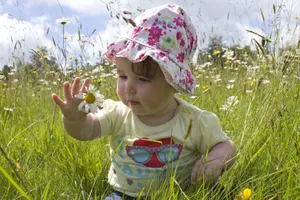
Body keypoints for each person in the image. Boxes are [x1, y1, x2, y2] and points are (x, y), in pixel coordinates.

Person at [52, 4, 236, 199]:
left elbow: (226, 146)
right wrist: (74, 120)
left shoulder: (195, 121)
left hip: (182, 194)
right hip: (124, 195)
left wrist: (215, 161)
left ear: (173, 82)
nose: (128, 88)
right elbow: (86, 131)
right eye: (122, 76)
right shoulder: (117, 113)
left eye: (143, 79)